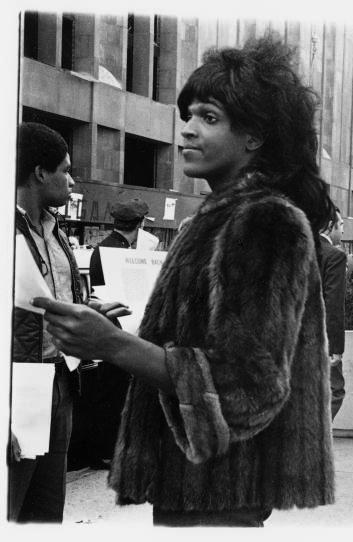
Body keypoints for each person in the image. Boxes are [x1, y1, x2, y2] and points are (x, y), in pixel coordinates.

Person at [33, 35, 336, 526]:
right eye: (188, 116)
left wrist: (114, 346)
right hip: (196, 483)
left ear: (254, 136)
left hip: (222, 491)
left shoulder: (262, 221)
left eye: (209, 118)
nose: (188, 132)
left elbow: (247, 386)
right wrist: (110, 334)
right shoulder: (211, 221)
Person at [9, 122, 129, 522]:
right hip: (19, 389)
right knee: (11, 509)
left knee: (45, 512)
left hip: (61, 381)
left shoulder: (55, 232)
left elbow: (53, 303)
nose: (72, 180)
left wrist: (89, 311)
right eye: (66, 169)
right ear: (40, 173)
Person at [68, 198, 150, 470]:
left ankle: (107, 450)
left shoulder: (104, 248)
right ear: (138, 224)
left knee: (112, 394)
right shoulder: (119, 252)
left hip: (111, 330)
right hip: (117, 330)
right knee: (112, 395)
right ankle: (105, 451)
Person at [319, 208, 347, 420]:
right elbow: (333, 304)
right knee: (335, 390)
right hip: (322, 339)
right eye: (341, 225)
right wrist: (335, 347)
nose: (343, 231)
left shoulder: (298, 249)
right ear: (330, 226)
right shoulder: (334, 256)